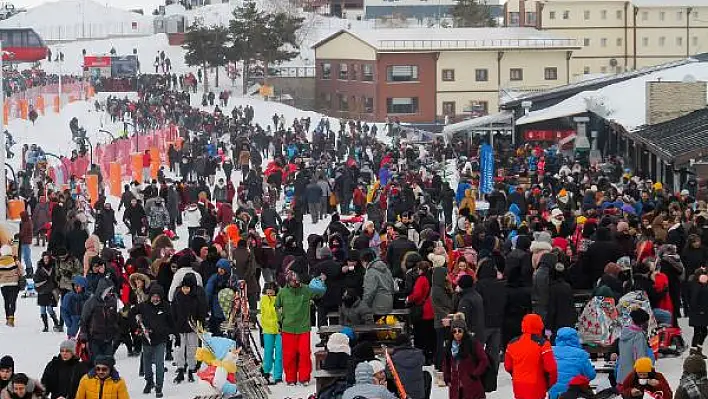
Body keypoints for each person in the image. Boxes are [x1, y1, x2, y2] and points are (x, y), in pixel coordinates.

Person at [275, 270, 323, 386]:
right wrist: (281, 319)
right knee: (289, 355)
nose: (296, 283)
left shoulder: (306, 289)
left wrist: (320, 281)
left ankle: (304, 378)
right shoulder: (282, 292)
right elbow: (276, 306)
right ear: (288, 281)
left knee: (305, 354)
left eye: (297, 281)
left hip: (303, 328)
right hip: (288, 328)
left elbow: (320, 293)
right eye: (293, 281)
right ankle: (290, 378)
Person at [504, 313, 558, 399]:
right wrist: (550, 384)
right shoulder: (543, 344)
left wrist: (516, 376)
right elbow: (551, 368)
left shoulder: (512, 343)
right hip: (537, 385)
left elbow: (508, 366)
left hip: (518, 385)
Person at [132, 284, 172, 397]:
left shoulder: (166, 306)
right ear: (150, 297)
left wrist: (173, 334)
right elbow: (131, 313)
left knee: (159, 364)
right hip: (147, 340)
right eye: (153, 296)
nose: (155, 299)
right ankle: (149, 381)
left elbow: (171, 322)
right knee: (147, 364)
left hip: (160, 340)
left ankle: (159, 386)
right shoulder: (143, 306)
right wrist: (136, 325)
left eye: (158, 297)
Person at [171, 273, 206, 384]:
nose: (185, 290)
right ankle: (181, 370)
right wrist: (173, 326)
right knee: (179, 350)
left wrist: (200, 325)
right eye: (184, 287)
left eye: (187, 288)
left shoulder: (198, 295)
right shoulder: (177, 295)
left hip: (193, 328)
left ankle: (191, 370)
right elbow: (173, 312)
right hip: (179, 327)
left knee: (192, 349)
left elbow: (202, 311)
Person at [442, 317, 489, 399]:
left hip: (471, 385)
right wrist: (447, 378)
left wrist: (475, 374)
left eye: (459, 331)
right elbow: (446, 363)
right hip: (455, 387)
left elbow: (484, 360)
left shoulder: (473, 344)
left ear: (464, 331)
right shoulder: (450, 346)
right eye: (454, 331)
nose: (457, 333)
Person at [548, 327, 596, 399]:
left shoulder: (550, 351)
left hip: (552, 393)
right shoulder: (581, 354)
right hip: (572, 394)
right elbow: (591, 375)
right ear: (575, 338)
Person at [80, 278, 119, 363]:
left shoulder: (113, 301)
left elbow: (115, 319)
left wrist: (116, 333)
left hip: (108, 338)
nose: (110, 293)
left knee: (108, 362)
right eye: (108, 290)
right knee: (96, 362)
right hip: (94, 339)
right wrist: (84, 338)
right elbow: (84, 320)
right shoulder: (91, 302)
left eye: (111, 290)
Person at [616, 309, 655, 385]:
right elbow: (640, 359)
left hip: (621, 376)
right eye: (647, 322)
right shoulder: (638, 336)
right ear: (642, 323)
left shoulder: (624, 333)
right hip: (633, 379)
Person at [391, 334, 429, 399]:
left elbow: (389, 376)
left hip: (402, 394)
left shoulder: (392, 359)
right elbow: (423, 361)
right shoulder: (419, 354)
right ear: (409, 342)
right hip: (419, 393)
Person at [260, 282, 282, 384]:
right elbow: (263, 314)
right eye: (268, 289)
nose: (270, 291)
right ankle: (266, 371)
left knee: (279, 353)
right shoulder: (263, 300)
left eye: (272, 289)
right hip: (267, 329)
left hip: (279, 330)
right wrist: (263, 326)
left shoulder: (279, 299)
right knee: (268, 352)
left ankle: (278, 376)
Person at [34, 252, 62, 332]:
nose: (45, 260)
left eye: (47, 258)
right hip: (42, 291)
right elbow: (35, 278)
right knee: (42, 309)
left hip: (50, 291)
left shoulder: (53, 267)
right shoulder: (40, 268)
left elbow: (56, 278)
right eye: (44, 258)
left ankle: (56, 322)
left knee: (50, 309)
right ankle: (45, 326)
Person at [361, 250, 394, 315]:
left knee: (375, 324)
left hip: (377, 304)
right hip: (388, 303)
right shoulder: (386, 268)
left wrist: (363, 306)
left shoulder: (371, 272)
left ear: (365, 261)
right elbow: (392, 285)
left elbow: (369, 291)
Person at [0, 245, 22, 327]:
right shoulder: (15, 261)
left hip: (3, 285)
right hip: (14, 284)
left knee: (6, 301)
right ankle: (11, 318)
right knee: (13, 301)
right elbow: (22, 272)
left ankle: (7, 318)